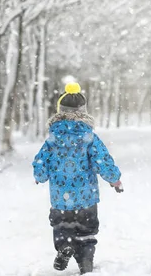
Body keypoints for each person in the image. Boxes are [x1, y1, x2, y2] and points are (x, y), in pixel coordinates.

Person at [33, 82, 124, 274]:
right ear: (83, 111)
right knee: (87, 231)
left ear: (60, 110)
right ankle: (86, 263)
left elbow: (41, 161)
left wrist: (39, 176)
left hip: (60, 197)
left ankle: (64, 246)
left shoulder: (53, 137)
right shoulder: (89, 136)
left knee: (61, 225)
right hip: (86, 197)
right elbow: (103, 160)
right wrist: (114, 178)